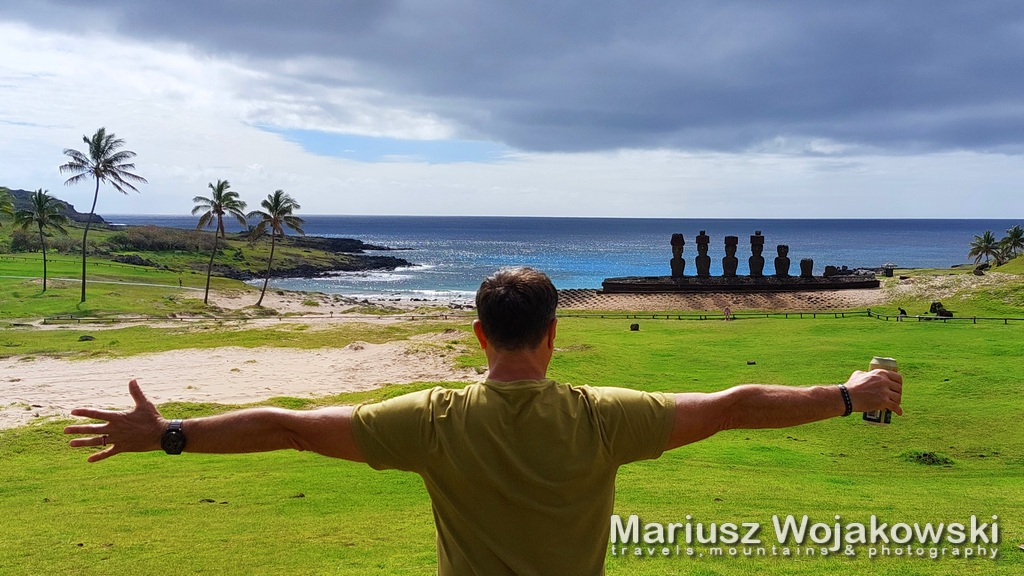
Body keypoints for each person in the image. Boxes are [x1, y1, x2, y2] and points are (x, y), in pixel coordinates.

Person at [65, 267, 903, 576]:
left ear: (476, 334)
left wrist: (170, 433)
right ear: (552, 334)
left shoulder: (430, 421)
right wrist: (848, 393)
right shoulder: (603, 417)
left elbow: (287, 424)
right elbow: (732, 408)